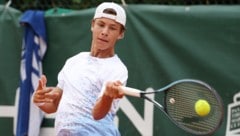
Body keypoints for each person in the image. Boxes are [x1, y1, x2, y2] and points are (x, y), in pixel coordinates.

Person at [33, 2, 128, 136]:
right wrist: (39, 100)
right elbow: (54, 106)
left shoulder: (117, 70)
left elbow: (97, 114)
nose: (105, 32)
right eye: (101, 25)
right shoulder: (74, 61)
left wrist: (107, 95)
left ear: (120, 34)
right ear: (92, 25)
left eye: (112, 28)